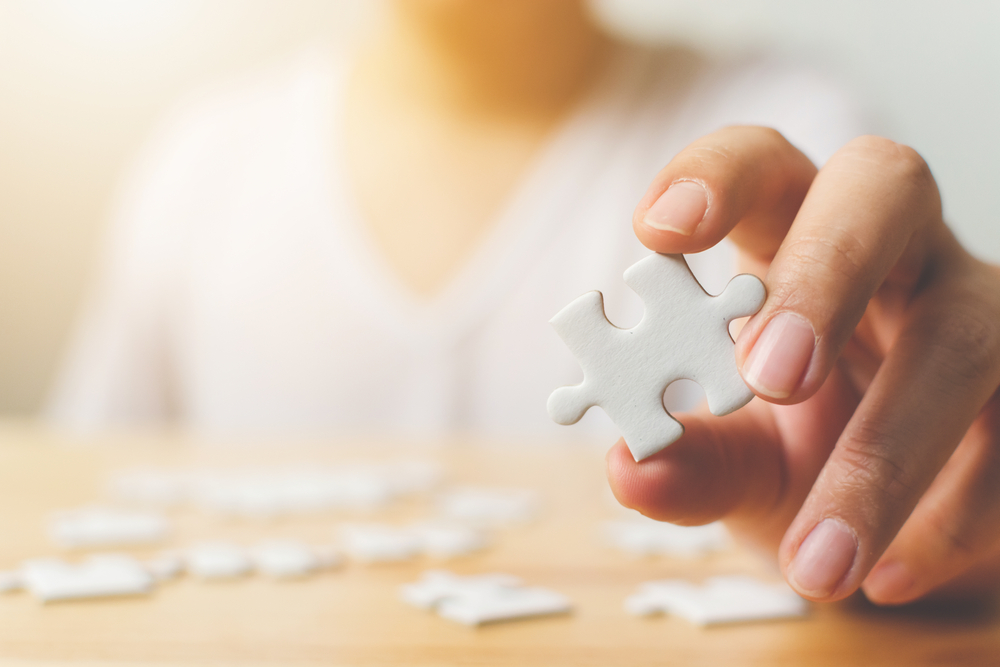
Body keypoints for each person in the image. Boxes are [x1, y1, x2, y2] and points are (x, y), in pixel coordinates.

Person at [47, 0, 1000, 607]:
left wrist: (949, 511)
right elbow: (70, 509)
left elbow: (913, 433)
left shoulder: (793, 126)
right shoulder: (201, 162)